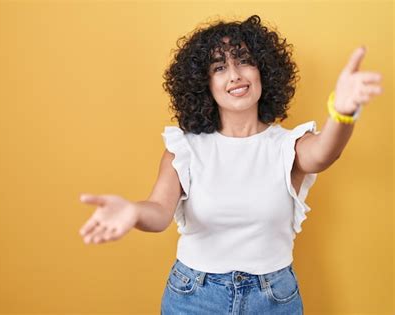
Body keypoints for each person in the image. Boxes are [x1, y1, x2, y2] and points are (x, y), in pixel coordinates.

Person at [78, 15, 383, 314]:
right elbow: (159, 212)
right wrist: (133, 212)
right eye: (220, 67)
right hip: (193, 296)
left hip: (274, 299)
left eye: (244, 61)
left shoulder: (286, 145)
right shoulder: (185, 147)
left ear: (263, 70)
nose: (235, 75)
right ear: (204, 83)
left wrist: (342, 112)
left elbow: (325, 153)